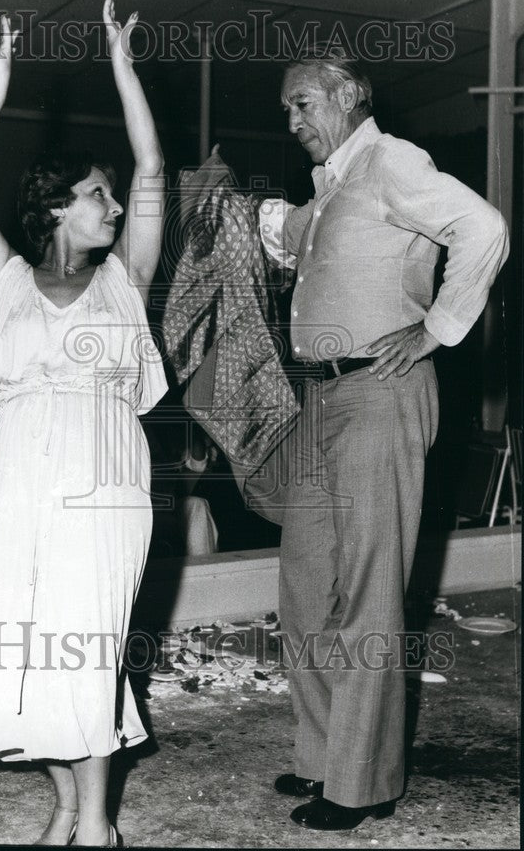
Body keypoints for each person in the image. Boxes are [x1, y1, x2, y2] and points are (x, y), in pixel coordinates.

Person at [241, 52, 509, 831]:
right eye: (286, 113)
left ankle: (364, 782)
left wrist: (436, 330)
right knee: (304, 589)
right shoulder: (328, 195)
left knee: (366, 593)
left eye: (301, 105)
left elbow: (483, 227)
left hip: (381, 393)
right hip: (320, 397)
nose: (292, 123)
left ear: (350, 95)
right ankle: (326, 759)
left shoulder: (392, 163)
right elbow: (274, 235)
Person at [0, 0, 166, 848]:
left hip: (105, 479)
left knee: (89, 640)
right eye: (95, 196)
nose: (112, 206)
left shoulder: (127, 280)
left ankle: (98, 825)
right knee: (29, 643)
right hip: (21, 480)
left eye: (109, 196)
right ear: (57, 210)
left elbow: (150, 165)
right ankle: (66, 805)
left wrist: (122, 65)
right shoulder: (5, 281)